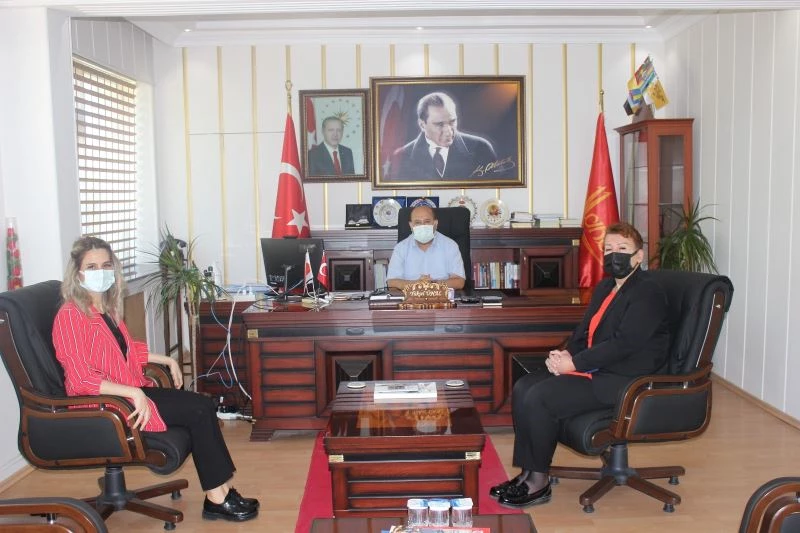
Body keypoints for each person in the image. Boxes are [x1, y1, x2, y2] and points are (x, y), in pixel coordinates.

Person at [52, 236, 260, 522]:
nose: (101, 272)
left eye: (106, 265)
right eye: (92, 267)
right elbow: (79, 380)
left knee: (202, 405)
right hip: (104, 404)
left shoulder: (106, 308)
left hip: (126, 393)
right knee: (199, 410)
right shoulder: (71, 315)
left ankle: (221, 490)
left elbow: (124, 352)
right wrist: (133, 393)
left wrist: (166, 359)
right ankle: (217, 497)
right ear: (77, 274)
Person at [492, 222, 670, 508]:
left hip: (625, 378)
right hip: (597, 367)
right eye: (608, 249)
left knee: (541, 397)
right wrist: (562, 356)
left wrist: (574, 363)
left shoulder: (648, 292)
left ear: (639, 256)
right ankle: (526, 474)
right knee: (524, 386)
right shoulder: (606, 287)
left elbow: (624, 344)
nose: (614, 255)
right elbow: (584, 333)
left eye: (622, 248)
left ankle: (539, 482)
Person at [384, 92, 499, 181]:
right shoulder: (401, 156)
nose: (448, 131)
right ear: (422, 125)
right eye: (439, 124)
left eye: (452, 122)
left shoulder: (481, 148)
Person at [386, 205, 466, 290]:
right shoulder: (401, 248)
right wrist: (417, 285)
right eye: (417, 222)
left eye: (427, 221)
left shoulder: (450, 245)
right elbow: (391, 282)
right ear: (411, 225)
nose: (422, 226)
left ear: (435, 223)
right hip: (411, 297)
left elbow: (459, 282)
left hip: (441, 297)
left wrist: (433, 284)